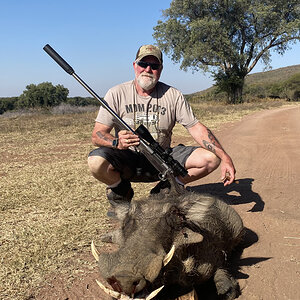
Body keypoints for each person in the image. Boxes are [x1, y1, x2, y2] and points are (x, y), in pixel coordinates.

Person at [88, 44, 235, 214]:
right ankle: (121, 192)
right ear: (135, 66)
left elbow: (196, 128)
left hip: (162, 158)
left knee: (211, 159)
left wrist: (225, 157)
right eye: (143, 64)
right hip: (128, 159)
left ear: (161, 69)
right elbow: (97, 135)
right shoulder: (116, 93)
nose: (148, 69)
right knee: (96, 161)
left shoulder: (173, 95)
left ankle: (165, 190)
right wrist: (116, 142)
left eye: (154, 65)